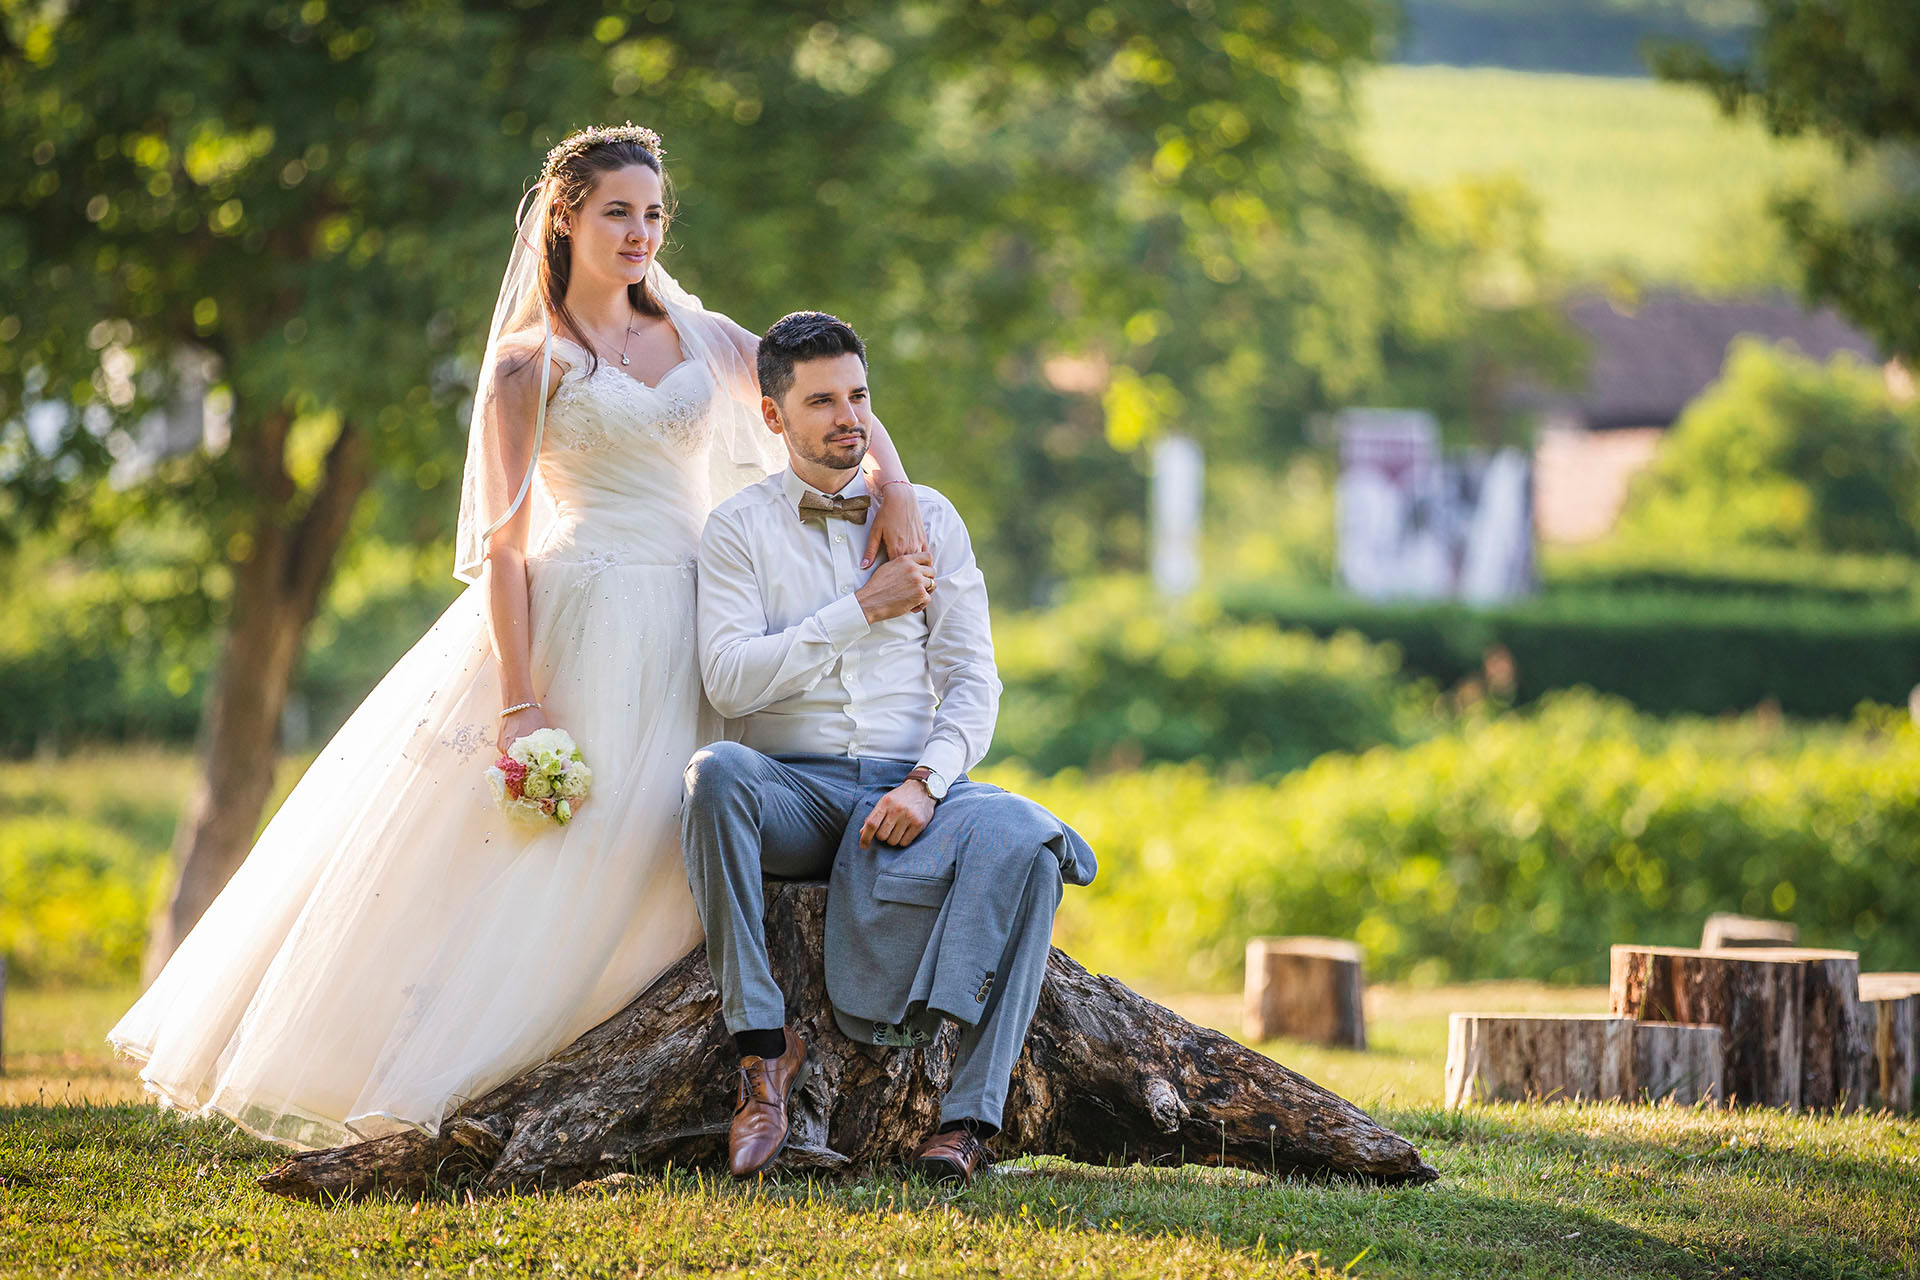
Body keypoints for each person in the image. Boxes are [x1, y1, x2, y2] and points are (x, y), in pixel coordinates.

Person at [108, 125, 927, 1150]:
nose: (640, 233)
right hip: (585, 614)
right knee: (576, 842)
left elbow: (824, 390)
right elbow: (504, 545)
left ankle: (733, 1057)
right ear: (567, 217)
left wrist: (895, 487)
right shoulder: (527, 363)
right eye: (618, 212)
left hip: (701, 607)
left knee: (680, 832)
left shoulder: (698, 332)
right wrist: (520, 699)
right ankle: (520, 1064)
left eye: (653, 214)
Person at [683, 311, 1096, 1186]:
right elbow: (730, 683)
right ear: (773, 416)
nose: (850, 417)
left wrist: (927, 782)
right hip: (794, 790)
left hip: (916, 790)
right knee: (713, 777)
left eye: (859, 396)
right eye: (822, 401)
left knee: (1029, 850)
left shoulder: (932, 518)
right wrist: (861, 608)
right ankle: (762, 1054)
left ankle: (968, 1122)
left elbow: (974, 680)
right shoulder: (736, 529)